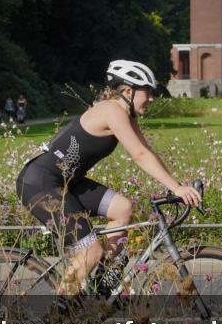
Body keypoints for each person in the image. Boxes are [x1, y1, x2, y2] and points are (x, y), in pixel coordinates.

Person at [15, 60, 202, 296]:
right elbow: (140, 155)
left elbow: (148, 152)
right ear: (128, 92)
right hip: (39, 183)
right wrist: (176, 188)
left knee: (123, 208)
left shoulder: (124, 114)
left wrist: (177, 185)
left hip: (66, 182)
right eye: (148, 92)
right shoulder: (112, 110)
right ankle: (59, 317)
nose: (152, 98)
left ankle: (101, 290)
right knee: (91, 250)